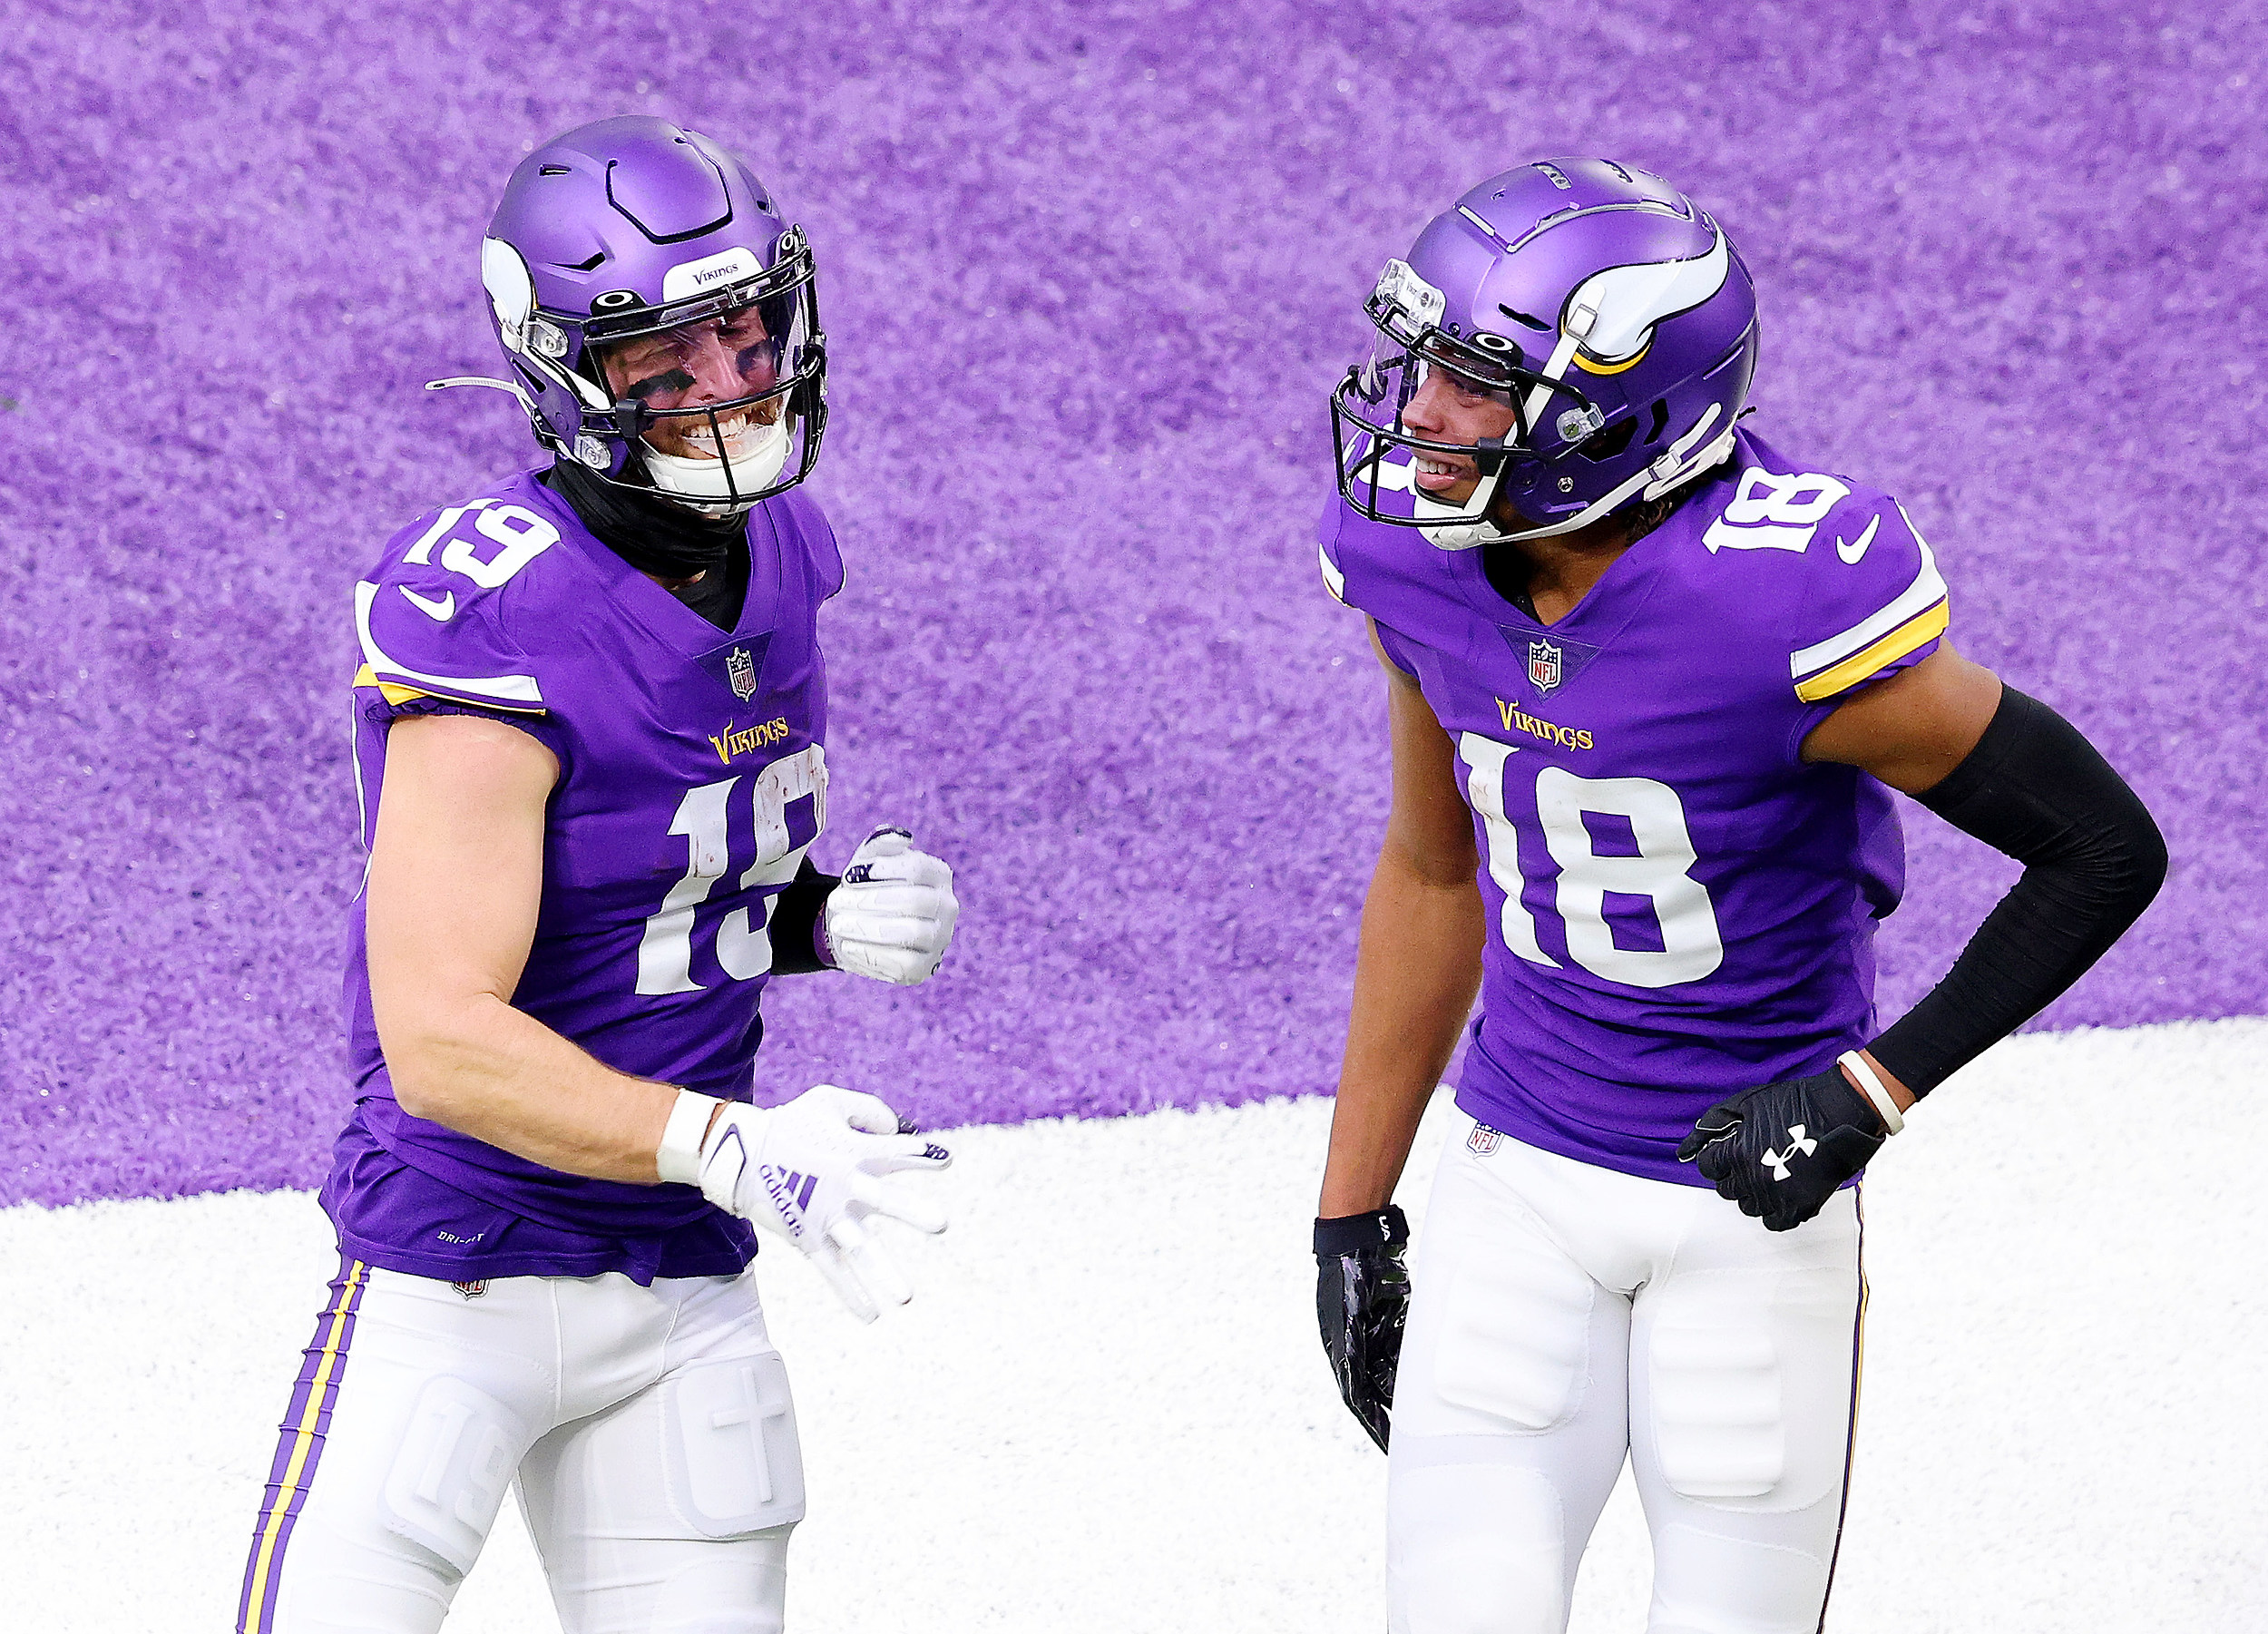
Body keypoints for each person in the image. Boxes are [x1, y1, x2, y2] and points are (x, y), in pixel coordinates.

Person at [1310, 159, 2165, 1633]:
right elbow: (1433, 866)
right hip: (1519, 1183)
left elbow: (2100, 846)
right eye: (1426, 367)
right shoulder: (1418, 561)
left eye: (1473, 380)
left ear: (1607, 414)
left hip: (1747, 1207)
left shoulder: (1775, 602)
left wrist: (1873, 1090)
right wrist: (1349, 1209)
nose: (1422, 416)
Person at [236, 116, 962, 1634]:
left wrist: (819, 915)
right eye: (664, 364)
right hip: (462, 1268)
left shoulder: (785, 551)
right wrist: (731, 1142)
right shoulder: (496, 607)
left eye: (744, 332)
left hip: (676, 1274)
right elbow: (438, 1035)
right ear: (568, 374)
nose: (725, 386)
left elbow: (649, 891)